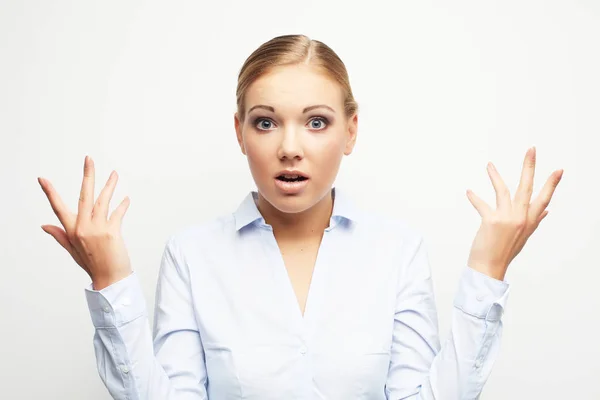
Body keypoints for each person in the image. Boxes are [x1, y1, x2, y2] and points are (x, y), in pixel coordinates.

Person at [38, 34, 563, 399]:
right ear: (240, 132)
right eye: (266, 123)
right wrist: (110, 282)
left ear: (350, 132)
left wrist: (487, 272)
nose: (290, 148)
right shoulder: (192, 255)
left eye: (316, 122)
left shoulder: (396, 252)